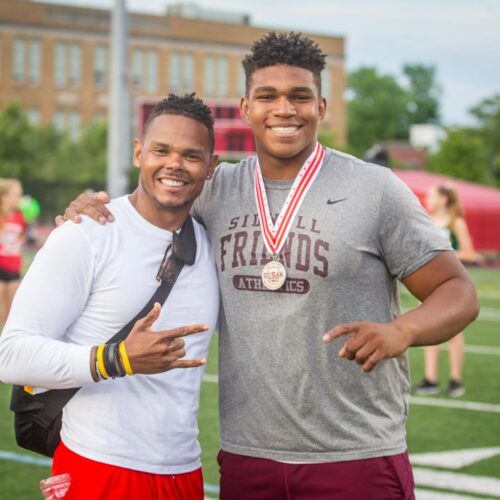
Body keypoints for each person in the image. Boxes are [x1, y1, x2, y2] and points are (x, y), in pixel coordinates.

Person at [59, 32, 479, 500]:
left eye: (300, 96)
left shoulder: (375, 190)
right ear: (245, 107)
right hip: (246, 456)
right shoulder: (214, 191)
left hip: (354, 453)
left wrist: (403, 331)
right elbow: (150, 208)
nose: (284, 109)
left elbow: (457, 292)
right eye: (268, 96)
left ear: (321, 106)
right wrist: (90, 209)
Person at [0, 94, 220, 499]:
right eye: (161, 150)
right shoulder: (86, 233)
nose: (174, 164)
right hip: (98, 467)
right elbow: (12, 355)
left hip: (184, 473)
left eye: (191, 155)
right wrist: (116, 358)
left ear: (211, 167)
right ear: (139, 152)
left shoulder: (213, 243)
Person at [415, 184, 482, 397]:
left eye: (431, 196)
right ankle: (431, 379)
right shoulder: (426, 220)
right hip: (427, 285)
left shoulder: (456, 222)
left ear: (444, 199)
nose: (427, 200)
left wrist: (445, 254)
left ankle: (455, 379)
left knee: (453, 333)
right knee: (428, 330)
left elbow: (470, 253)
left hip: (450, 286)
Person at [0, 178, 26, 325]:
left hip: (14, 265)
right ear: (4, 197)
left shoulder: (20, 216)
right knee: (2, 306)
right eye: (16, 195)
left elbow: (21, 237)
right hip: (0, 265)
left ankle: (5, 341)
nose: (19, 198)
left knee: (11, 309)